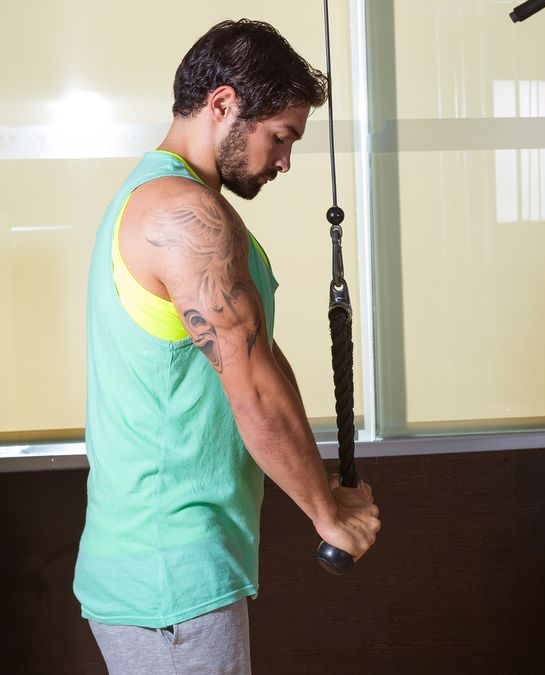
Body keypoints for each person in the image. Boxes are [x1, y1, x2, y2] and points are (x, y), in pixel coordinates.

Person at [74, 19, 381, 674]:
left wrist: (320, 482)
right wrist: (328, 514)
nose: (284, 162)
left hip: (174, 570)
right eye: (281, 137)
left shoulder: (170, 202)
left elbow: (260, 359)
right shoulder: (182, 219)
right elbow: (252, 389)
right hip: (169, 579)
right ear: (223, 104)